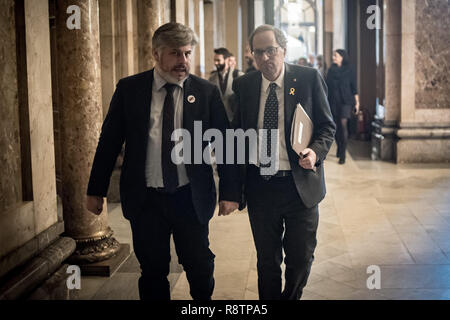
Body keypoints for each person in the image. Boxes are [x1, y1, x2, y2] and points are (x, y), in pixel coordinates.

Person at [86, 22, 240, 300]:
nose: (183, 61)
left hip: (190, 197)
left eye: (187, 53)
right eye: (175, 54)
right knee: (153, 270)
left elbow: (225, 144)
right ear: (156, 55)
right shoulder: (130, 89)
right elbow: (108, 141)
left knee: (200, 266)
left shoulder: (206, 92)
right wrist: (96, 189)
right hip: (146, 200)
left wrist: (230, 193)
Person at [232, 25, 336, 300]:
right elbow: (235, 135)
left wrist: (314, 152)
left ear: (283, 50)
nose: (265, 57)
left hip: (299, 185)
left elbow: (327, 127)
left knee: (301, 258)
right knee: (267, 261)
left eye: (271, 50)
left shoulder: (308, 78)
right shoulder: (244, 85)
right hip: (261, 186)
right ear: (252, 55)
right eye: (258, 52)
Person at [325, 49, 360, 164]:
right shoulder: (331, 70)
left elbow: (354, 87)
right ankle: (339, 147)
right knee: (335, 127)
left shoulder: (349, 70)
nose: (333, 57)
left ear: (342, 57)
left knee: (343, 125)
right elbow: (326, 86)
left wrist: (357, 102)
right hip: (333, 101)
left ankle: (343, 154)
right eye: (334, 55)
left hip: (345, 102)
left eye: (336, 55)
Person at [208, 47, 244, 123]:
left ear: (227, 60)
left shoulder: (238, 75)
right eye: (214, 60)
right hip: (218, 121)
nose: (215, 63)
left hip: (235, 121)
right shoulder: (212, 78)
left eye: (218, 60)